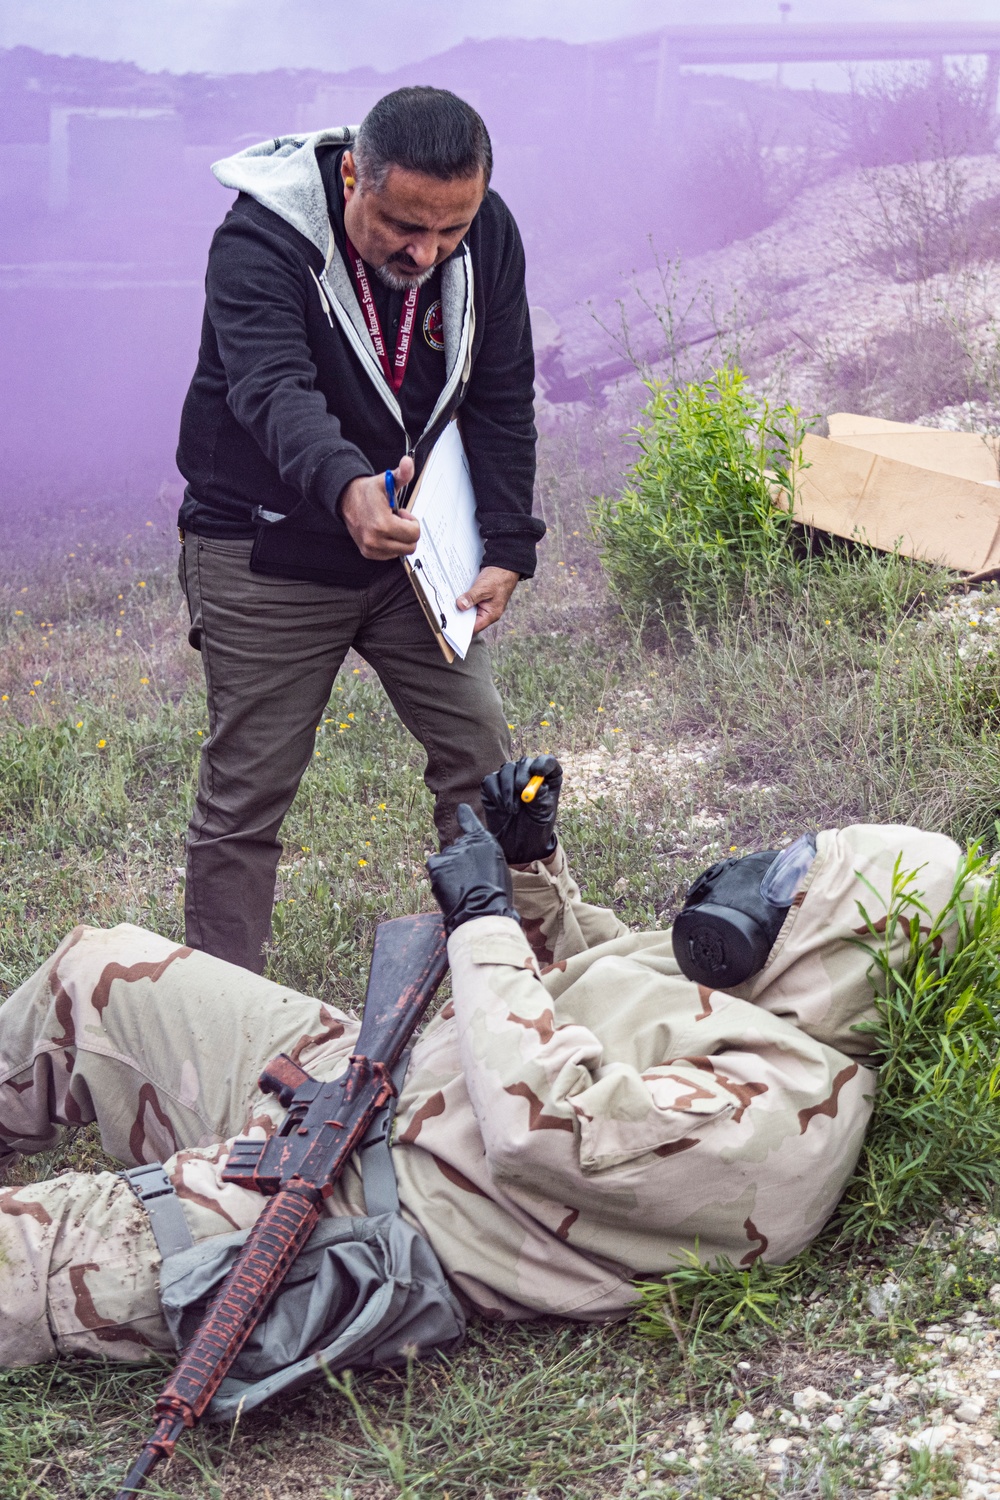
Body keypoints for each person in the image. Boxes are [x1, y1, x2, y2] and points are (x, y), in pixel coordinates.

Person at [0, 757, 966, 1367]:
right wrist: (533, 870)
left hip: (355, 1202)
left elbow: (540, 1121)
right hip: (365, 1077)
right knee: (100, 971)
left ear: (849, 943)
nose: (761, 875)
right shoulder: (764, 996)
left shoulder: (782, 1115)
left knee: (38, 1251)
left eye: (800, 877)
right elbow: (604, 988)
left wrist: (485, 921)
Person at [175, 85, 542, 972]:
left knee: (483, 762)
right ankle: (223, 1017)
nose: (428, 251)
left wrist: (507, 547)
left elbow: (501, 395)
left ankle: (503, 982)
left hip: (412, 555)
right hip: (267, 551)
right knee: (247, 799)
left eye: (451, 228)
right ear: (352, 176)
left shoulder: (484, 231)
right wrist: (347, 488)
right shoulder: (260, 241)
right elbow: (274, 392)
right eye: (405, 225)